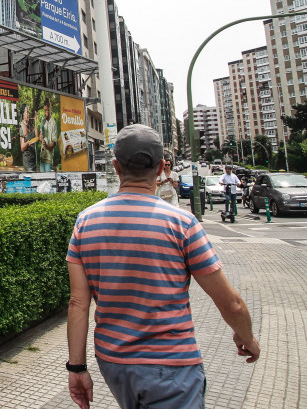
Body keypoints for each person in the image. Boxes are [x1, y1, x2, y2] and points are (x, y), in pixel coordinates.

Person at [66, 124, 260, 409]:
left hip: (113, 363)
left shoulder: (85, 222)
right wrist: (248, 337)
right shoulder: (181, 223)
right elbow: (230, 304)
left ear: (116, 167)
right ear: (160, 170)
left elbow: (78, 303)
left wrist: (77, 369)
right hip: (171, 367)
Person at [38, 100, 58, 172]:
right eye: (44, 110)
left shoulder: (53, 124)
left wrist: (46, 145)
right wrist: (41, 138)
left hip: (48, 158)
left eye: (46, 110)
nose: (45, 112)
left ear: (50, 110)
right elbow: (40, 135)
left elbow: (53, 143)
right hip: (42, 156)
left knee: (48, 180)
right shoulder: (43, 120)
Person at [18, 104, 37, 172]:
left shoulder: (30, 125)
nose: (28, 114)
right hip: (28, 161)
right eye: (27, 112)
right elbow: (22, 148)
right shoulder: (22, 128)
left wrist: (35, 121)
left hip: (34, 159)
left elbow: (36, 136)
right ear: (23, 114)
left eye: (29, 112)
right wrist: (28, 143)